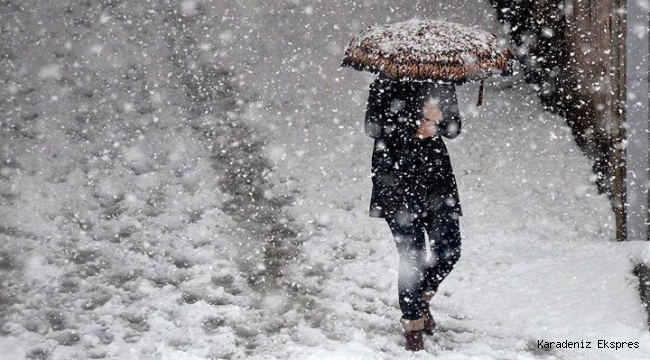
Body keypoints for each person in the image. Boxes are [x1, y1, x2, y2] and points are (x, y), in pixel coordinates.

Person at [365, 76, 462, 351]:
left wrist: (439, 120)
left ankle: (419, 298)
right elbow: (373, 127)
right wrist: (415, 124)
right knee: (412, 257)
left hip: (436, 182)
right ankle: (413, 325)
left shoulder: (441, 82)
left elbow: (454, 129)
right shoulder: (384, 84)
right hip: (396, 181)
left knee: (450, 249)